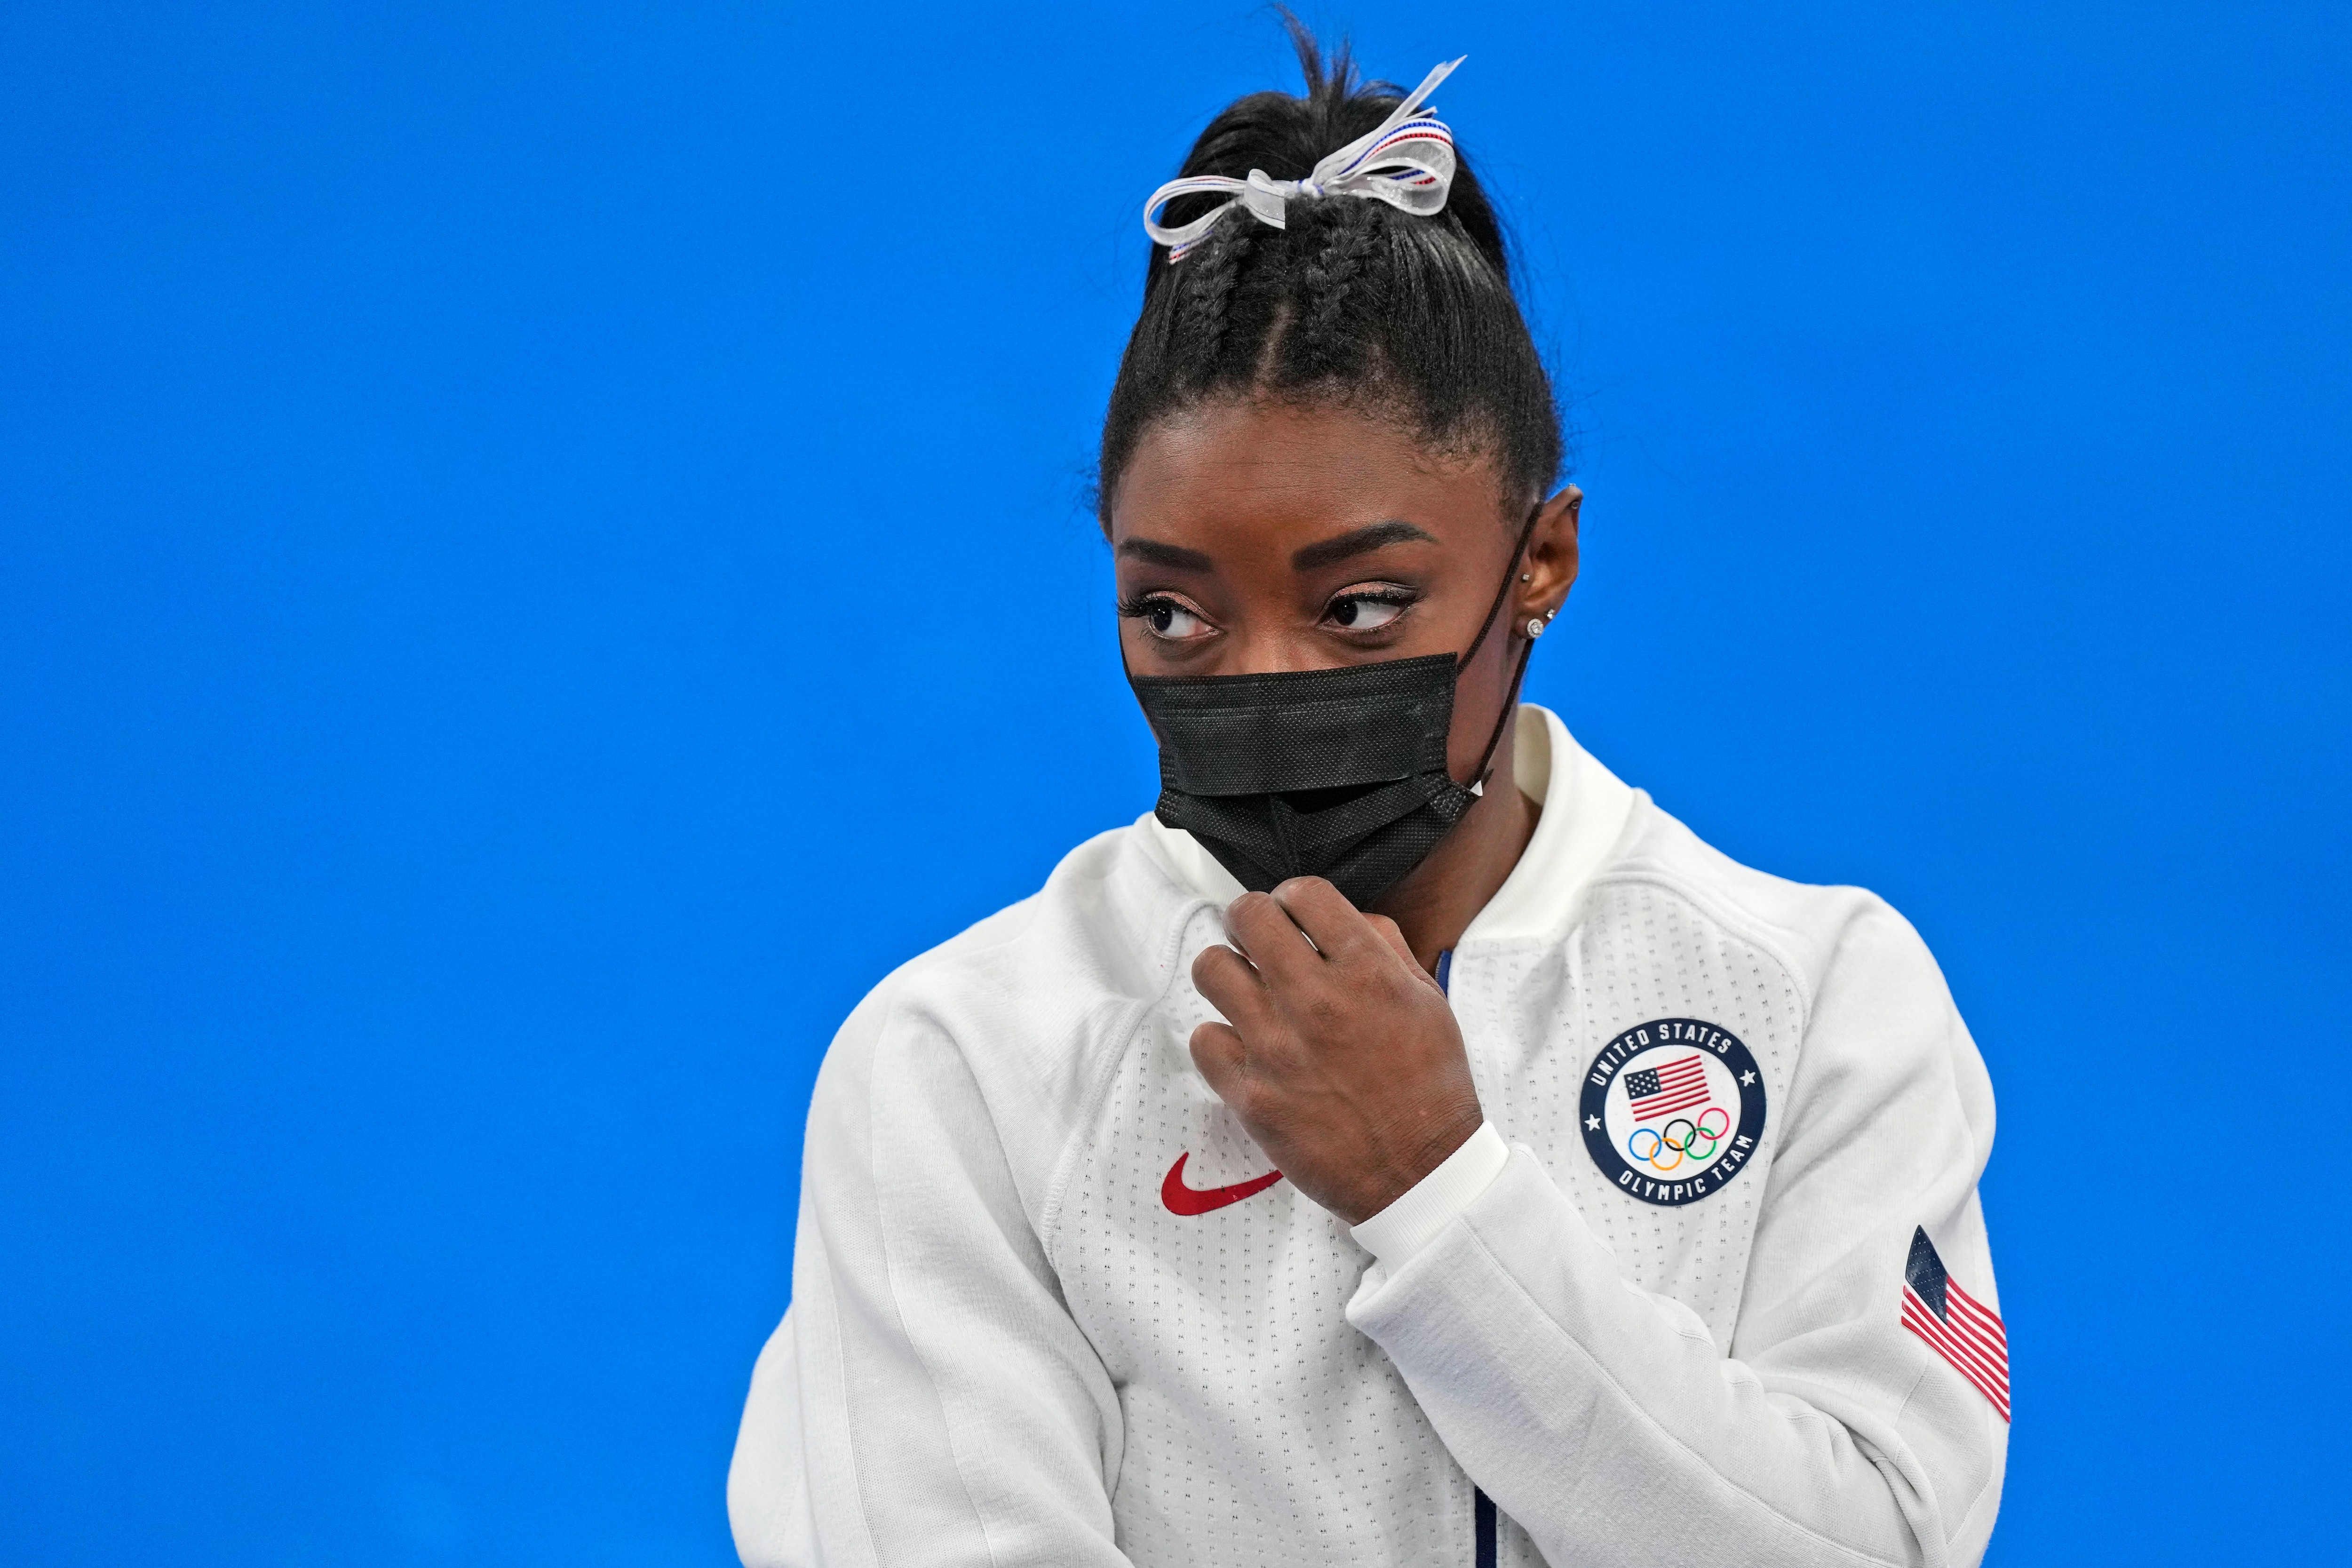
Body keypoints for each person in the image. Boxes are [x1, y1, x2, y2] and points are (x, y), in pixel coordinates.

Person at [729, 26, 2007, 1568]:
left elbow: (1879, 1544)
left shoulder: (1818, 998)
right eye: (1176, 617)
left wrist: (1439, 1196)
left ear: (1542, 564)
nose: (1264, 684)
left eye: (1359, 610)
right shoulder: (967, 1062)